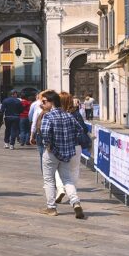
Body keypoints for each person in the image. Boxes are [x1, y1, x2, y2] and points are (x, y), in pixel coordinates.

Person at [35, 89, 88, 219]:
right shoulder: (68, 115)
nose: (42, 103)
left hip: (52, 152)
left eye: (44, 101)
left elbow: (45, 132)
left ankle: (51, 207)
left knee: (49, 180)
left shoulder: (48, 116)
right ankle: (75, 203)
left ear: (51, 102)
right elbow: (80, 129)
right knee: (67, 179)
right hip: (66, 152)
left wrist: (48, 145)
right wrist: (69, 140)